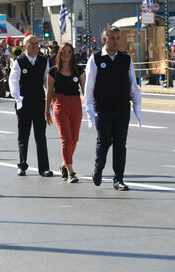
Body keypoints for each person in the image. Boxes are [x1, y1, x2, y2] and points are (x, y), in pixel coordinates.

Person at [85, 26, 142, 191]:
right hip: (102, 109)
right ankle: (98, 168)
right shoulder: (95, 59)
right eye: (113, 38)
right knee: (103, 143)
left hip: (122, 108)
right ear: (105, 40)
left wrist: (137, 107)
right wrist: (89, 109)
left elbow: (132, 84)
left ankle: (119, 179)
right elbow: (89, 86)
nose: (116, 41)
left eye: (118, 38)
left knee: (120, 144)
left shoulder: (125, 59)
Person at [8, 35, 53, 177]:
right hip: (24, 102)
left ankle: (44, 168)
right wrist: (17, 98)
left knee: (41, 136)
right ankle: (22, 165)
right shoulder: (19, 62)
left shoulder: (43, 60)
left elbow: (47, 81)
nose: (35, 46)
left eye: (36, 43)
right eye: (31, 44)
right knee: (24, 135)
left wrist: (50, 98)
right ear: (25, 46)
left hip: (39, 101)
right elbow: (13, 81)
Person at [45, 43, 85, 183]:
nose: (66, 54)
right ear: (59, 54)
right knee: (66, 139)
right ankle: (71, 172)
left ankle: (64, 165)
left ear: (73, 53)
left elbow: (86, 90)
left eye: (69, 51)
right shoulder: (53, 71)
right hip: (60, 105)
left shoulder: (79, 70)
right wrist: (47, 112)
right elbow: (49, 92)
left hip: (76, 105)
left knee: (74, 140)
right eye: (63, 52)